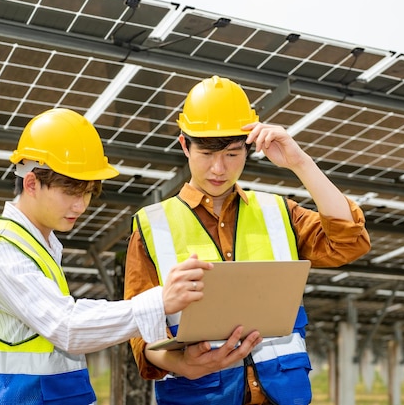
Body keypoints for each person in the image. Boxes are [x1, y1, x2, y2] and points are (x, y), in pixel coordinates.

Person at [124, 75, 371, 405]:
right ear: (184, 145)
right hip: (201, 394)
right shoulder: (151, 226)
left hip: (280, 395)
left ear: (248, 148)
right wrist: (180, 364)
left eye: (232, 154)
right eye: (207, 153)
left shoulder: (278, 211)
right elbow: (140, 331)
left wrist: (300, 162)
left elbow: (349, 241)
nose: (219, 168)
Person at [0, 108, 213, 405]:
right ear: (31, 183)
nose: (81, 205)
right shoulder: (1, 252)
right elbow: (67, 327)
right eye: (70, 191)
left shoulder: (40, 247)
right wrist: (159, 302)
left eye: (87, 193)